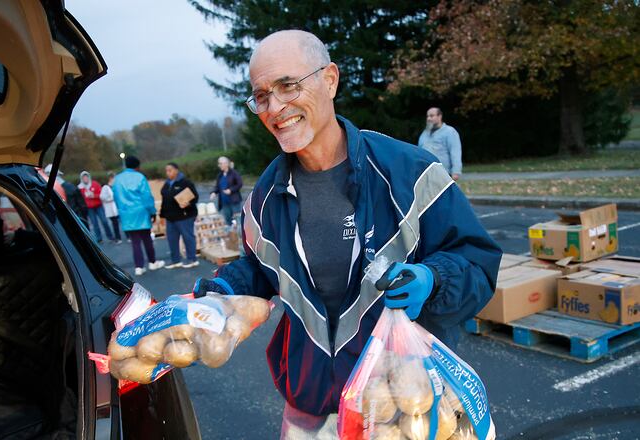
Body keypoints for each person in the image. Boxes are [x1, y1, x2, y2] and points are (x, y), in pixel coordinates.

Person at [189, 30, 501, 438]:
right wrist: (222, 290)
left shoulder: (408, 172)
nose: (275, 107)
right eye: (261, 96)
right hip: (313, 410)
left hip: (404, 408)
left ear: (330, 79)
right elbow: (264, 269)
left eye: (287, 86)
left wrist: (434, 278)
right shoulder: (265, 196)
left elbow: (477, 263)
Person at [113, 156, 165, 276]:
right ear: (137, 166)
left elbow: (115, 197)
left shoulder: (117, 179)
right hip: (141, 212)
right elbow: (146, 197)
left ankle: (139, 267)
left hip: (126, 214)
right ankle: (152, 262)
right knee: (147, 239)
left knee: (135, 242)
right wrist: (152, 212)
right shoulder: (140, 177)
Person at [160, 163, 200, 269]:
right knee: (172, 239)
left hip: (184, 216)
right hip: (170, 217)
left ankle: (192, 259)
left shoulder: (185, 182)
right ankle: (175, 260)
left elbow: (195, 197)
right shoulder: (167, 184)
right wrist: (162, 215)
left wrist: (188, 203)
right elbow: (164, 200)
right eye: (166, 170)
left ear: (176, 170)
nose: (168, 172)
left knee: (188, 237)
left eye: (170, 170)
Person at [418, 107, 463, 181]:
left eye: (432, 116)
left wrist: (456, 172)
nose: (428, 118)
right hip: (425, 174)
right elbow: (419, 152)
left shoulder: (450, 132)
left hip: (443, 174)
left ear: (439, 116)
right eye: (427, 116)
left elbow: (455, 152)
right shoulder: (424, 134)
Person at [78, 171, 115, 243]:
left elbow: (102, 195)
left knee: (104, 221)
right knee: (95, 224)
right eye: (84, 177)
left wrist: (94, 195)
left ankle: (110, 236)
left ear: (89, 177)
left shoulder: (95, 184)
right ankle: (99, 239)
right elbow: (80, 199)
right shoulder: (80, 188)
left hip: (98, 206)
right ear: (82, 179)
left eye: (86, 177)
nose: (85, 179)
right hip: (89, 208)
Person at [210, 156, 243, 225]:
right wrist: (214, 192)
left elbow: (240, 184)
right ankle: (231, 235)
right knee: (228, 221)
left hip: (234, 202)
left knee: (238, 220)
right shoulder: (220, 175)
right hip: (224, 203)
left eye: (221, 163)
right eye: (219, 164)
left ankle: (240, 235)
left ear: (226, 164)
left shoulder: (234, 173)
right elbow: (217, 187)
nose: (219, 165)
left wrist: (231, 190)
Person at [100, 171, 123, 244]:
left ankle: (129, 236)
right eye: (113, 178)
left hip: (119, 208)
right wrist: (111, 199)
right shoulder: (105, 187)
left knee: (123, 222)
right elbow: (102, 197)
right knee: (115, 224)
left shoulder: (117, 186)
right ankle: (118, 238)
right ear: (110, 178)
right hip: (111, 209)